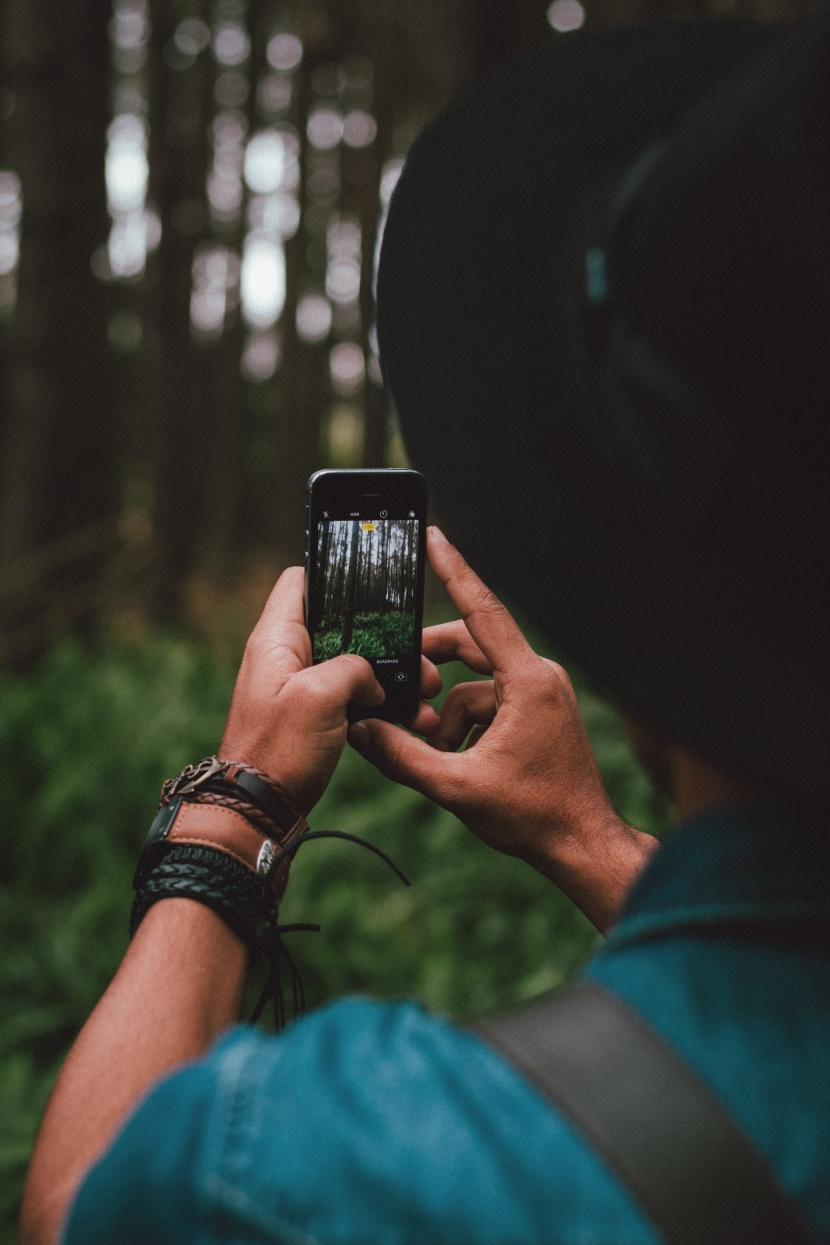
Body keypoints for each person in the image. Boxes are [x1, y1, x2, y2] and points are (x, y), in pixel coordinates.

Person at [20, 8, 830, 1244]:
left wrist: (229, 812)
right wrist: (581, 833)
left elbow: (83, 1207)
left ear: (626, 591)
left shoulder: (375, 1165)